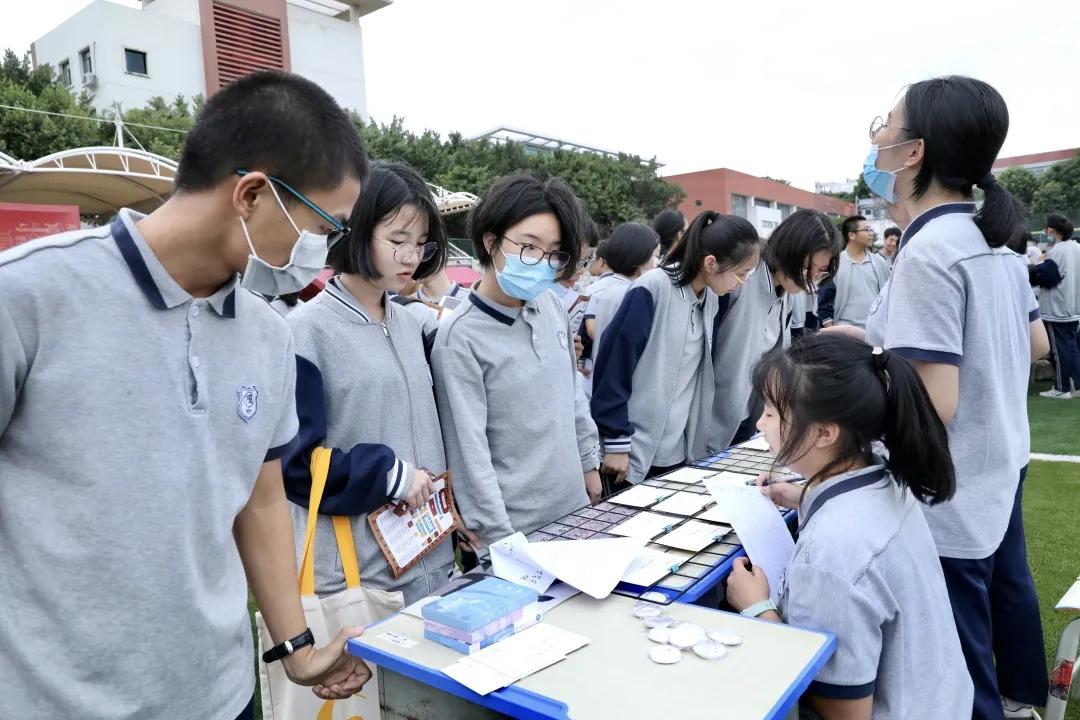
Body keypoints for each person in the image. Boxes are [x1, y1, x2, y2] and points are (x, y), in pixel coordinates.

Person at [0, 71, 371, 719]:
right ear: (253, 194)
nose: (326, 254)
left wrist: (297, 647)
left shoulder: (269, 336)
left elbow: (258, 499)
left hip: (220, 696)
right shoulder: (29, 297)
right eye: (325, 228)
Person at [857, 75, 1050, 720]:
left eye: (884, 123)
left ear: (913, 151)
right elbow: (1035, 347)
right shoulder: (987, 236)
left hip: (951, 489)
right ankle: (1027, 697)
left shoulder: (930, 250)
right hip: (998, 465)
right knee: (989, 627)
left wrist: (840, 413)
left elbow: (932, 402)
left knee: (957, 677)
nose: (875, 136)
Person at [726, 334, 973, 719]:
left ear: (825, 433)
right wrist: (801, 495)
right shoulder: (883, 475)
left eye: (773, 412)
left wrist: (757, 608)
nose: (760, 422)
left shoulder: (830, 552)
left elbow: (844, 713)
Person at [281, 162, 455, 604]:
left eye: (420, 243)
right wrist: (388, 475)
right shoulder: (307, 332)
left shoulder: (413, 325)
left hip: (432, 557)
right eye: (397, 240)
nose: (411, 256)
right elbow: (293, 465)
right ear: (354, 230)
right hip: (359, 579)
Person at [431, 174, 602, 547]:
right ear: (491, 242)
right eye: (528, 247)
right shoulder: (460, 338)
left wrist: (589, 463)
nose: (541, 263)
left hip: (574, 507)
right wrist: (499, 538)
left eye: (555, 253)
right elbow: (469, 451)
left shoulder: (550, 304)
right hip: (516, 530)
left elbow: (571, 392)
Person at [592, 212, 760, 488]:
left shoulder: (711, 299)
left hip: (677, 451)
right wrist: (616, 442)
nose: (742, 283)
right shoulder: (653, 288)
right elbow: (614, 367)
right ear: (710, 263)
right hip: (631, 453)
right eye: (741, 274)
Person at [708, 209, 841, 452]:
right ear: (787, 251)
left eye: (820, 272)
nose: (811, 280)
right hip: (713, 418)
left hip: (750, 414)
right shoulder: (743, 277)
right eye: (807, 269)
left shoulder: (788, 291)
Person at [580, 222, 659, 396]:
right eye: (654, 256)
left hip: (601, 380)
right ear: (640, 259)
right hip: (625, 387)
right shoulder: (633, 294)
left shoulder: (603, 288)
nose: (656, 264)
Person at [1032, 214, 1080, 399]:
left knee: (1060, 350)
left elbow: (1047, 278)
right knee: (1072, 347)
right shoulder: (1077, 247)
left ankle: (1062, 388)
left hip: (1057, 308)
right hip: (1075, 307)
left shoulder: (1057, 251)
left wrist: (1036, 269)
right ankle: (1076, 386)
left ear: (1051, 229)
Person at [817, 215, 892, 329]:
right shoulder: (834, 264)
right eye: (867, 230)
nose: (871, 234)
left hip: (875, 330)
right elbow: (824, 302)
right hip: (844, 332)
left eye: (871, 230)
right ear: (852, 235)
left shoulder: (880, 263)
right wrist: (831, 330)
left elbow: (889, 296)